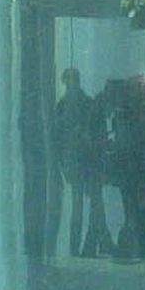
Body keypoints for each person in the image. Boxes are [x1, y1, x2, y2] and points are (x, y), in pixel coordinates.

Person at [54, 67, 108, 258]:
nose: (70, 86)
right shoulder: (70, 107)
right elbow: (58, 141)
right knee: (85, 206)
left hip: (86, 163)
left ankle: (85, 246)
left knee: (90, 206)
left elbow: (59, 141)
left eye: (71, 81)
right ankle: (80, 247)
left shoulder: (77, 106)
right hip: (80, 164)